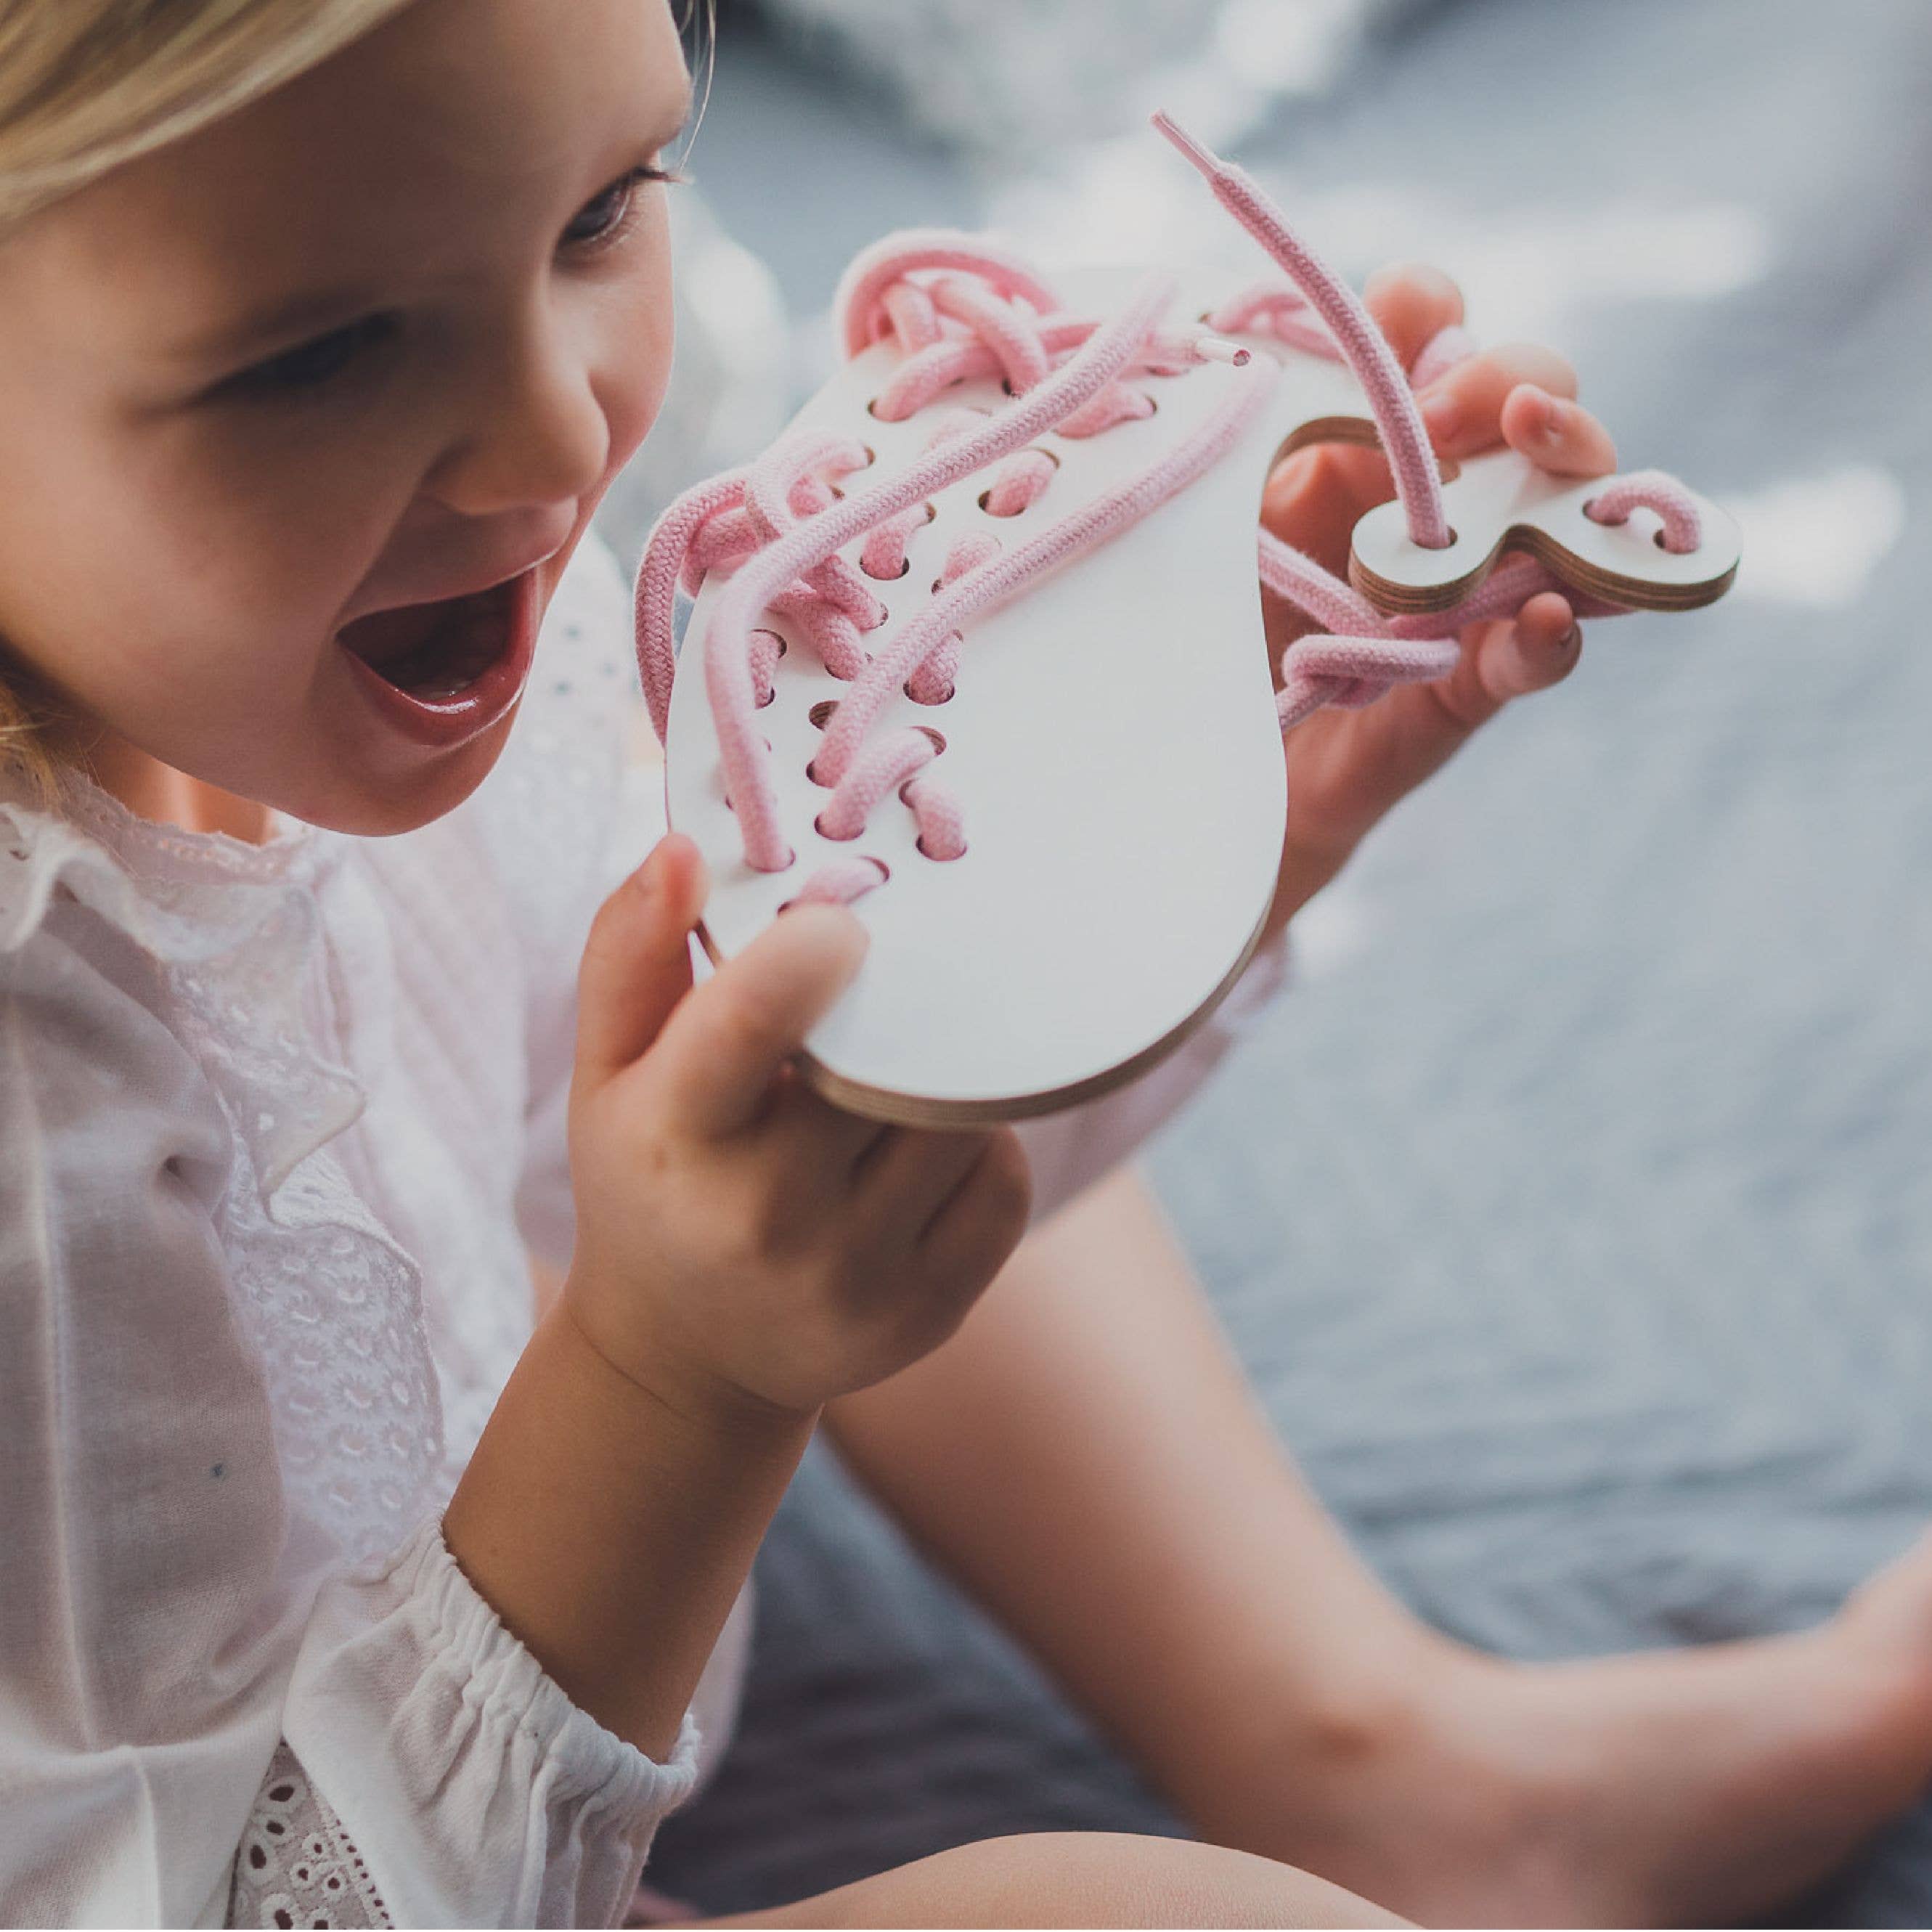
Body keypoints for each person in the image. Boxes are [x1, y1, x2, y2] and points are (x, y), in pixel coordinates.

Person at [5, 1, 1932, 1925]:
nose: (558, 431)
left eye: (601, 212)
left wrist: (1176, 848)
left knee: (823, 970)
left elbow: (800, 1046)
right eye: (322, 353)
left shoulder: (319, 621)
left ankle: (1370, 1753)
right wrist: (672, 1381)